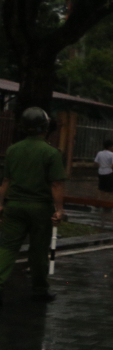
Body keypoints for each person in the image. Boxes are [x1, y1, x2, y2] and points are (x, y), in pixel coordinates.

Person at [0, 108, 65, 304]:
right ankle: (39, 290)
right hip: (40, 208)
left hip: (14, 206)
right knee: (38, 250)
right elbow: (56, 184)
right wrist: (59, 209)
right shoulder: (51, 153)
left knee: (7, 247)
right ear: (46, 127)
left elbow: (5, 181)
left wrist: (0, 204)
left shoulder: (13, 150)